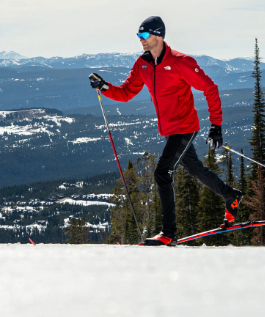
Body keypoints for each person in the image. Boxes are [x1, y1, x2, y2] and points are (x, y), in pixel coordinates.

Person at [88, 16, 240, 246]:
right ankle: (231, 196)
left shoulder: (181, 62)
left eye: (145, 35)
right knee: (194, 168)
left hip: (185, 128)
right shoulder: (143, 65)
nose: (141, 40)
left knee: (162, 173)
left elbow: (210, 88)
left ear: (159, 35)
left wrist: (216, 126)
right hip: (170, 130)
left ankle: (169, 233)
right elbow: (126, 92)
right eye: (139, 36)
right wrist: (105, 86)